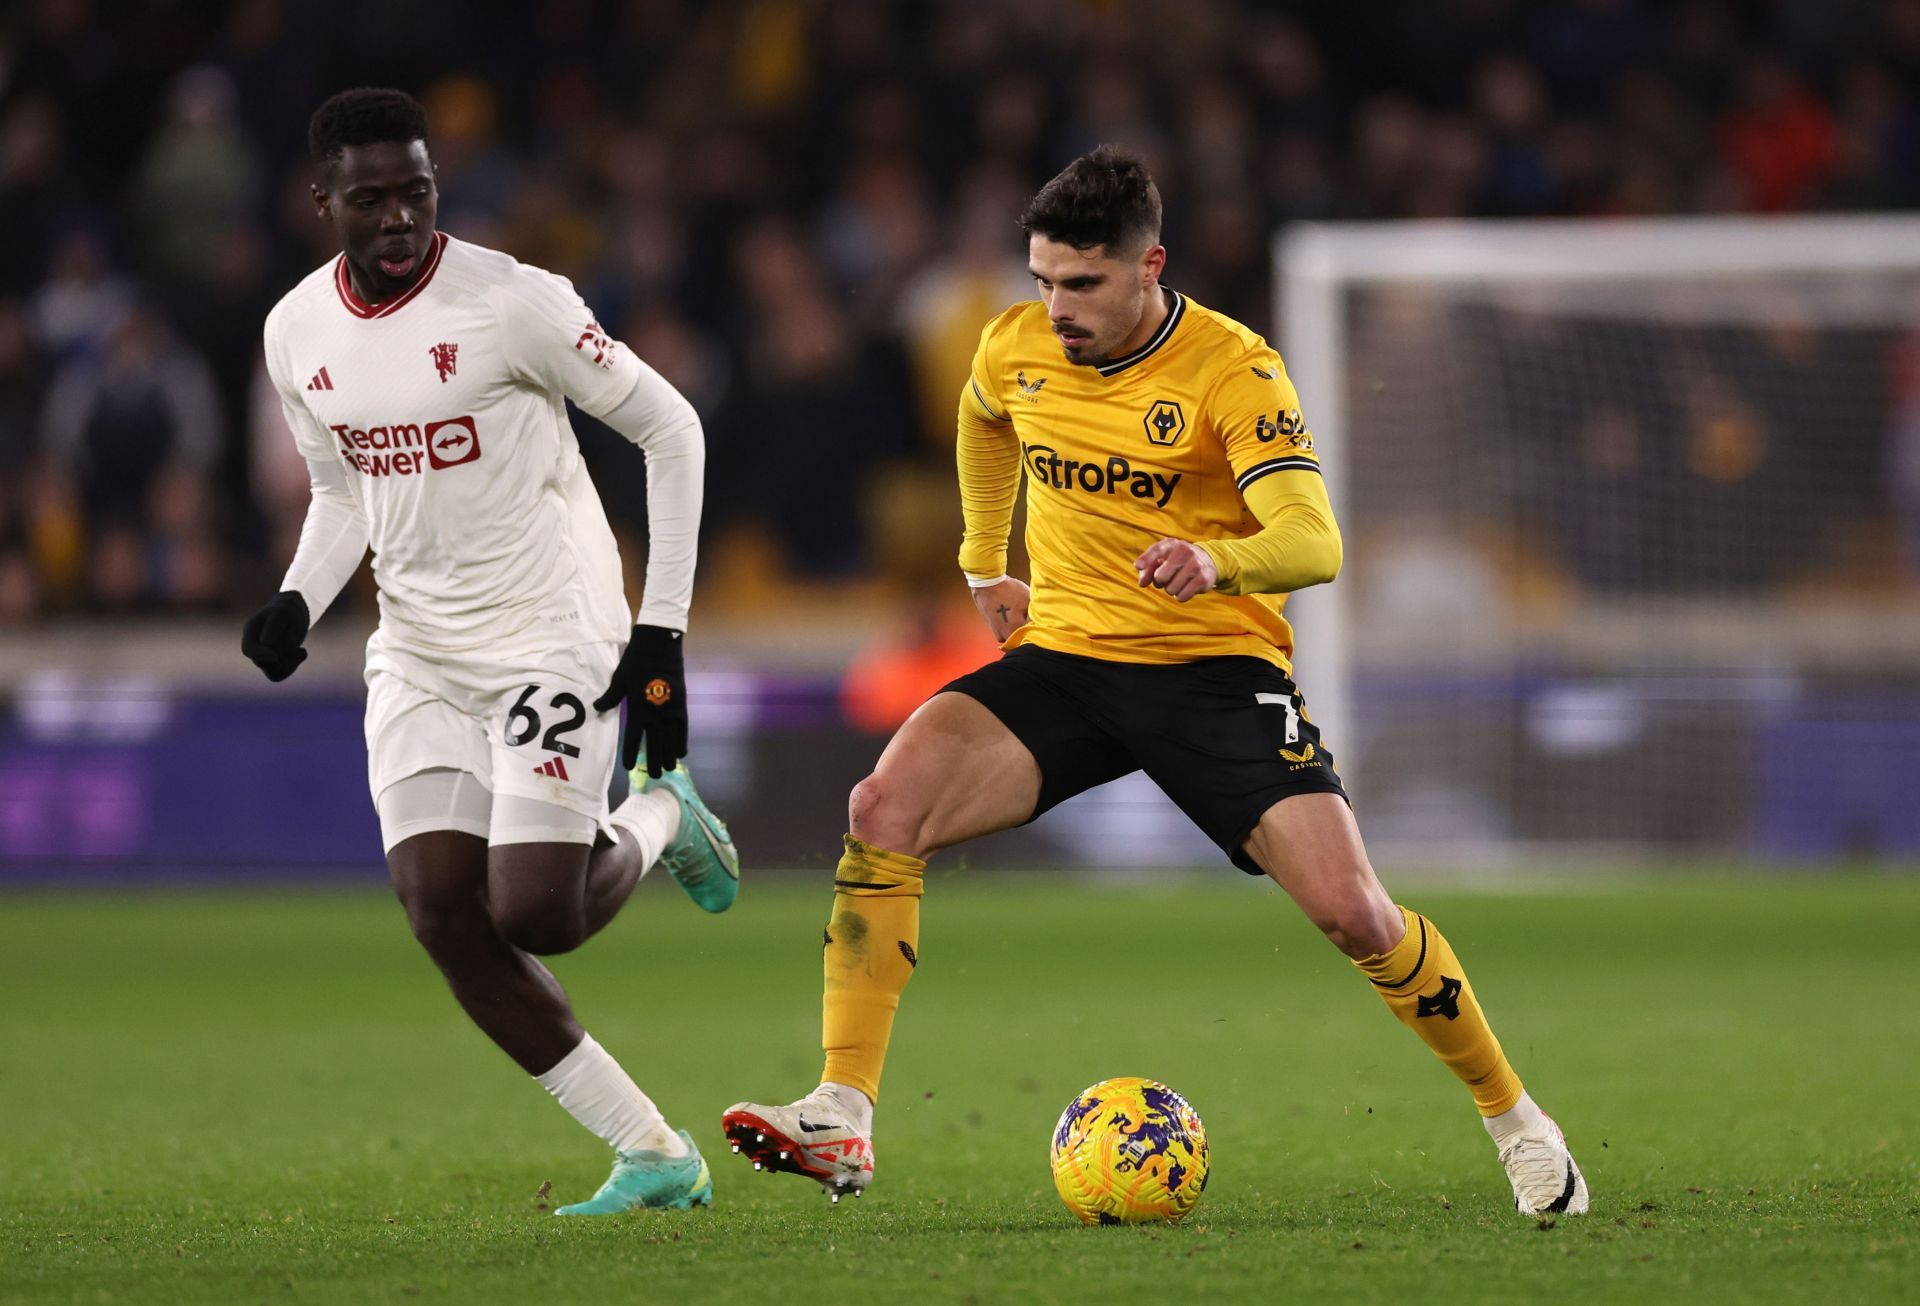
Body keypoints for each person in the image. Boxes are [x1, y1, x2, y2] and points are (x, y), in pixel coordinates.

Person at [723, 147, 1587, 1216]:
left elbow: (1314, 542)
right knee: (883, 805)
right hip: (1071, 661)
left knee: (1357, 914)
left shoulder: (1235, 369)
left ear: (1150, 268)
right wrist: (987, 560)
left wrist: (1214, 560)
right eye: (1042, 279)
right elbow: (984, 419)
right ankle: (841, 1113)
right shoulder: (1017, 343)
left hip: (1212, 670)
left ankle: (1519, 1122)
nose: (1057, 305)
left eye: (1081, 283)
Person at [241, 89, 739, 1216]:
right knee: (440, 910)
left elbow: (673, 427)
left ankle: (663, 809)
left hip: (550, 636)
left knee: (536, 911)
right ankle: (651, 1149)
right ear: (322, 203)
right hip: (418, 649)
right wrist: (298, 598)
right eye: (370, 198)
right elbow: (343, 489)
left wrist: (660, 628)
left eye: (416, 190)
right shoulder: (293, 331)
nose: (400, 217)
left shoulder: (515, 302)